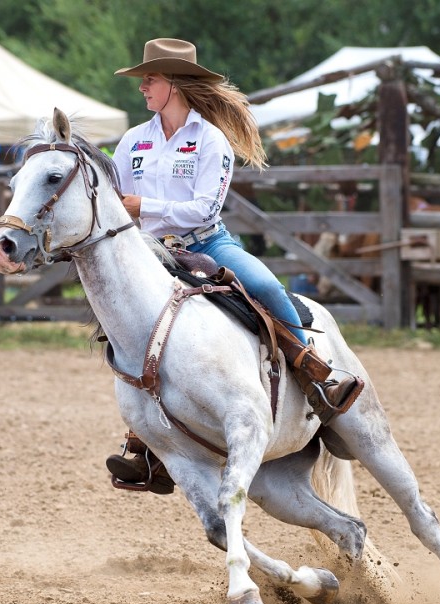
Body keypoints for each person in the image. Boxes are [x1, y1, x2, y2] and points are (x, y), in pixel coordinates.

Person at [105, 38, 364, 493]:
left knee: (265, 286)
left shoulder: (211, 140)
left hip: (206, 244)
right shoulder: (132, 141)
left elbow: (204, 210)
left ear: (175, 84)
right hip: (149, 251)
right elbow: (115, 206)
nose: (143, 86)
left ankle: (316, 377)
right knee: (122, 324)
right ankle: (145, 438)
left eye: (151, 78)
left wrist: (142, 204)